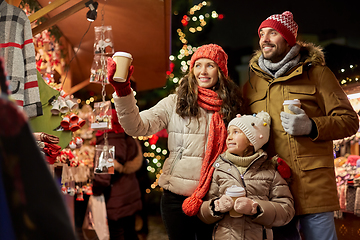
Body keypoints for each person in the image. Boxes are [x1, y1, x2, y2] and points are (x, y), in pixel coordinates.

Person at [107, 44, 246, 240]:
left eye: (210, 65)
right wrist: (122, 91)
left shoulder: (232, 106)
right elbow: (136, 127)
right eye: (198, 65)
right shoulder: (174, 102)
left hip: (216, 199)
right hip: (176, 199)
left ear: (221, 71)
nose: (203, 71)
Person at [243, 11, 359, 240]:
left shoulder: (317, 74)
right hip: (273, 191)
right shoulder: (251, 85)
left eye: (273, 33)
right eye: (261, 34)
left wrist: (311, 126)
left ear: (288, 39)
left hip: (313, 188)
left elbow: (349, 121)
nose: (264, 39)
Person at [198, 111, 295, 239]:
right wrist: (216, 206)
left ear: (251, 140)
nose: (229, 137)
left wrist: (255, 208)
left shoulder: (270, 171)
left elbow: (286, 210)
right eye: (229, 133)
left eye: (236, 132)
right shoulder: (219, 169)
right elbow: (202, 211)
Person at [92, 109, 143, 240]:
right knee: (130, 231)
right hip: (130, 193)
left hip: (115, 199)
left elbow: (103, 178)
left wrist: (95, 191)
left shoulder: (106, 141)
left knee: (117, 234)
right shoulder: (128, 137)